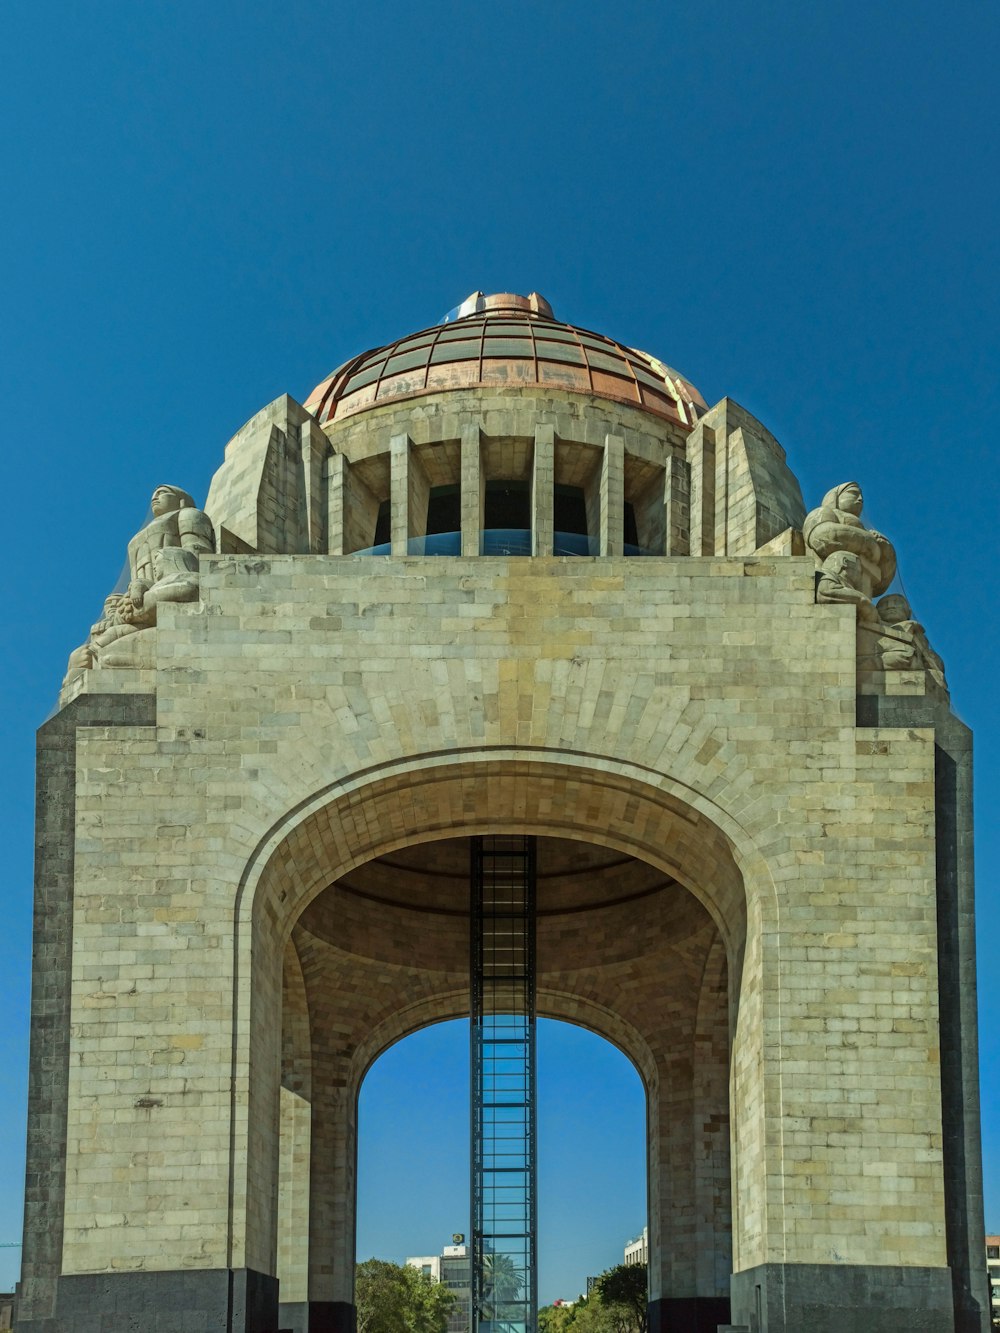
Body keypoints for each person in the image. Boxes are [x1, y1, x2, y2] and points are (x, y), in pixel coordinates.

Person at [803, 482, 896, 597]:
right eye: (853, 493)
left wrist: (885, 548)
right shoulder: (822, 512)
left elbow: (881, 584)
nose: (860, 499)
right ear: (835, 497)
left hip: (863, 590)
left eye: (861, 496)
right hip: (831, 575)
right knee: (842, 558)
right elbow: (823, 537)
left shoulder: (869, 533)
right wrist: (870, 543)